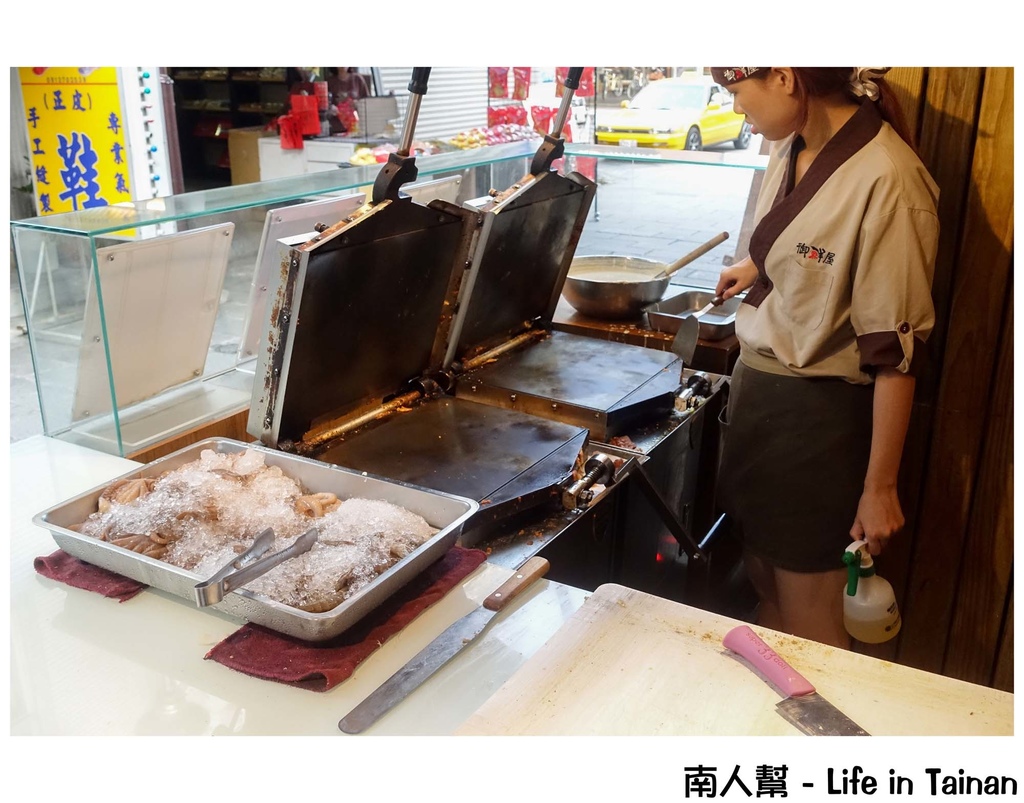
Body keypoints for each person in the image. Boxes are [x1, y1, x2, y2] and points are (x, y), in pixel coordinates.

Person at [709, 68, 939, 649]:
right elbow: (803, 240)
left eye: (737, 93)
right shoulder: (788, 147)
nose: (738, 111)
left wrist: (879, 487)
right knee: (763, 581)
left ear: (784, 77)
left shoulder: (890, 180)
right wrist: (757, 267)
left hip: (817, 424)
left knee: (812, 619)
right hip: (758, 401)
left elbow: (896, 354)